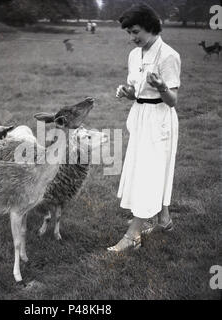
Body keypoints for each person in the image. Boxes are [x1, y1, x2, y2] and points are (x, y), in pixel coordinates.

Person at [107, 4, 181, 252]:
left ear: (150, 27)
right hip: (140, 118)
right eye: (129, 33)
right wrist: (127, 92)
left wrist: (161, 86)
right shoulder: (134, 55)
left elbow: (172, 100)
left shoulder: (168, 55)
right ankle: (164, 220)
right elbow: (136, 92)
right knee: (144, 170)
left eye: (135, 31)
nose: (132, 38)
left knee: (148, 175)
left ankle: (133, 234)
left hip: (159, 120)